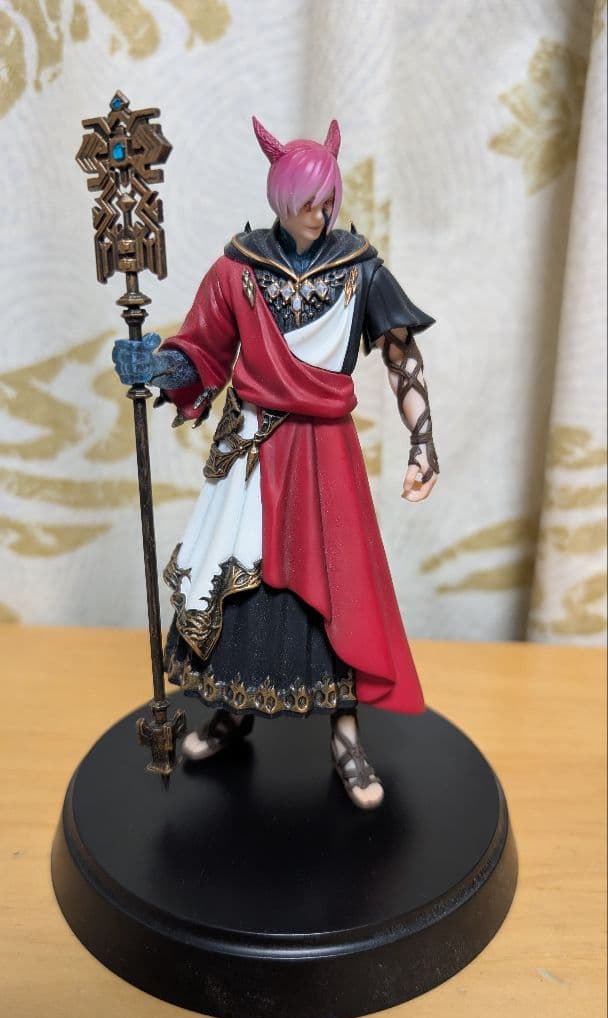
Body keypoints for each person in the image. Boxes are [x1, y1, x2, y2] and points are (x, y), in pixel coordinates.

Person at [112, 117, 439, 810]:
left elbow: (401, 354)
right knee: (242, 580)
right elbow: (203, 352)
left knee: (339, 586)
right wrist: (156, 365)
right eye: (308, 203)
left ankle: (345, 738)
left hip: (326, 454)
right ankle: (234, 712)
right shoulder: (238, 269)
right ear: (282, 199)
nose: (321, 215)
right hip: (253, 450)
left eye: (328, 201)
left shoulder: (360, 268)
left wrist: (422, 441)